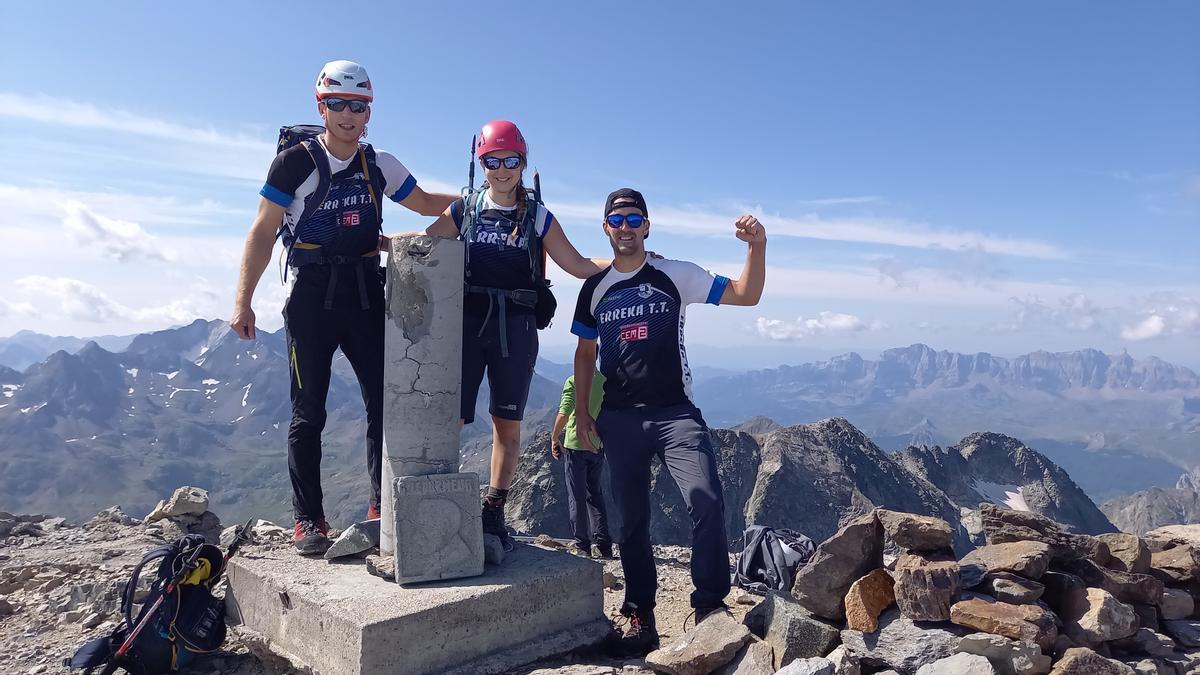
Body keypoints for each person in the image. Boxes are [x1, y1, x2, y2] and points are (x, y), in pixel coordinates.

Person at [230, 60, 456, 556]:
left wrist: (479, 200)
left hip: (363, 290)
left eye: (358, 106)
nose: (349, 115)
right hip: (310, 294)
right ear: (321, 106)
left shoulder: (380, 164)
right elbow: (263, 232)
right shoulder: (294, 163)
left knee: (383, 399)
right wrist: (243, 300)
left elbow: (420, 204)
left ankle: (381, 505)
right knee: (308, 410)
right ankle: (309, 519)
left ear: (369, 110)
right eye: (338, 104)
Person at [570, 188, 766, 655]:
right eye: (617, 221)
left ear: (647, 226)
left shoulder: (675, 274)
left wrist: (756, 247)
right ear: (606, 228)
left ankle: (709, 607)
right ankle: (640, 616)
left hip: (676, 413)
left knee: (707, 501)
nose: (625, 227)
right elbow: (584, 353)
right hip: (617, 419)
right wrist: (582, 412)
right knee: (632, 522)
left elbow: (747, 295)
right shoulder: (594, 288)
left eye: (634, 219)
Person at [422, 120, 604, 552]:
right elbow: (424, 244)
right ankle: (441, 498)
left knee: (508, 424)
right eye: (492, 160)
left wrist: (629, 263)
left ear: (523, 162)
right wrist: (376, 243)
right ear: (480, 163)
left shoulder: (538, 216)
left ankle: (492, 509)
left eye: (510, 160)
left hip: (516, 328)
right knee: (454, 417)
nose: (502, 169)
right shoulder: (463, 208)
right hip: (467, 324)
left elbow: (577, 265)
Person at [551, 369, 613, 558]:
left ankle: (582, 546)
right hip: (597, 445)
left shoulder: (574, 381)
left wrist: (554, 437)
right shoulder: (605, 381)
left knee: (576, 497)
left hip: (574, 446)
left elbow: (564, 412)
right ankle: (604, 546)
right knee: (595, 494)